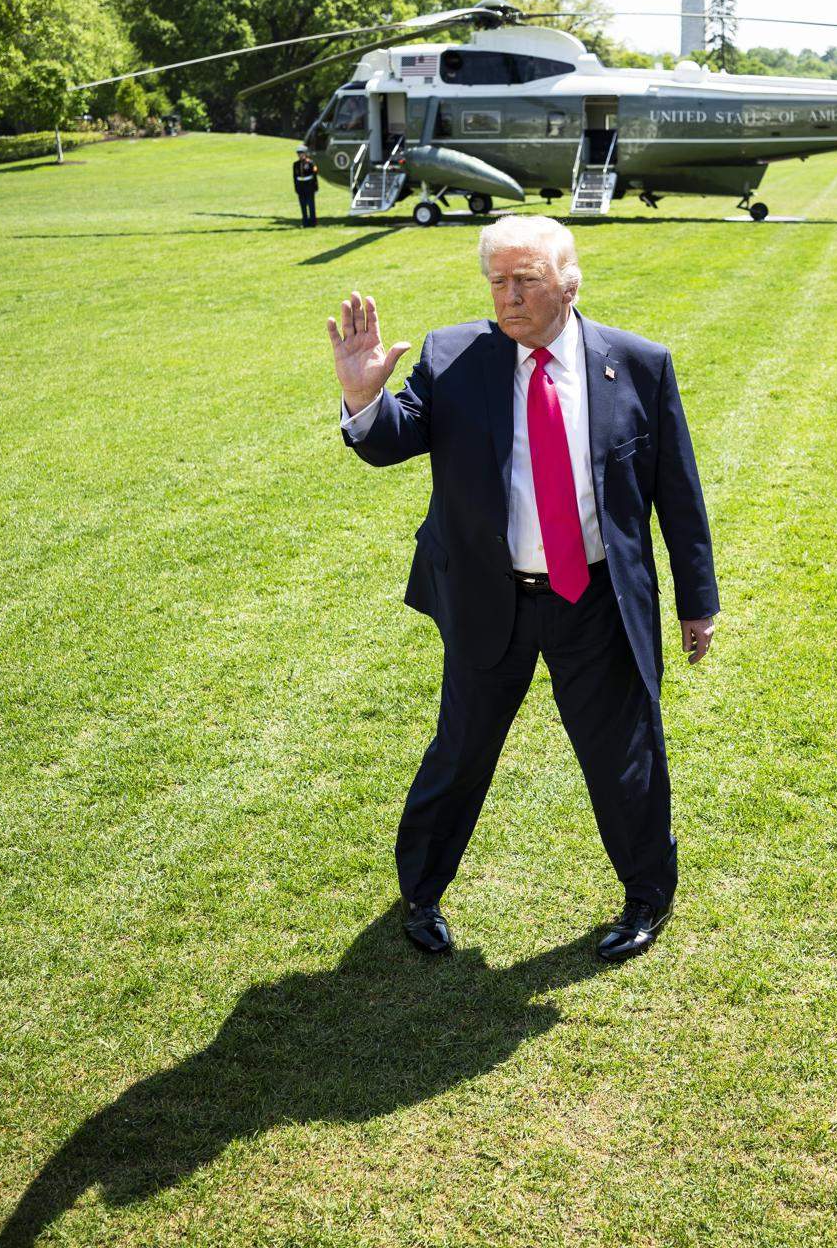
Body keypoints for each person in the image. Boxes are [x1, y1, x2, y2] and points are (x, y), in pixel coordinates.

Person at [329, 214, 718, 961]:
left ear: (569, 282)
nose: (508, 297)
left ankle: (647, 896)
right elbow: (390, 442)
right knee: (461, 750)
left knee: (624, 755)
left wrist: (698, 601)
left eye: (525, 280)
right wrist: (362, 400)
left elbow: (679, 493)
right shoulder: (455, 356)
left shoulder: (638, 363)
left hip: (595, 599)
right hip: (491, 597)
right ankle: (421, 892)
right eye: (496, 282)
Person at [293, 146, 319, 228]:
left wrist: (315, 186)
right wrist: (296, 187)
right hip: (301, 186)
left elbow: (314, 175)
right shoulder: (296, 164)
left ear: (305, 154)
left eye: (302, 153)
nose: (300, 155)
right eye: (299, 154)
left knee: (311, 205)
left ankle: (313, 222)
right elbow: (295, 177)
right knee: (303, 205)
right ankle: (305, 222)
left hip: (309, 186)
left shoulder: (310, 163)